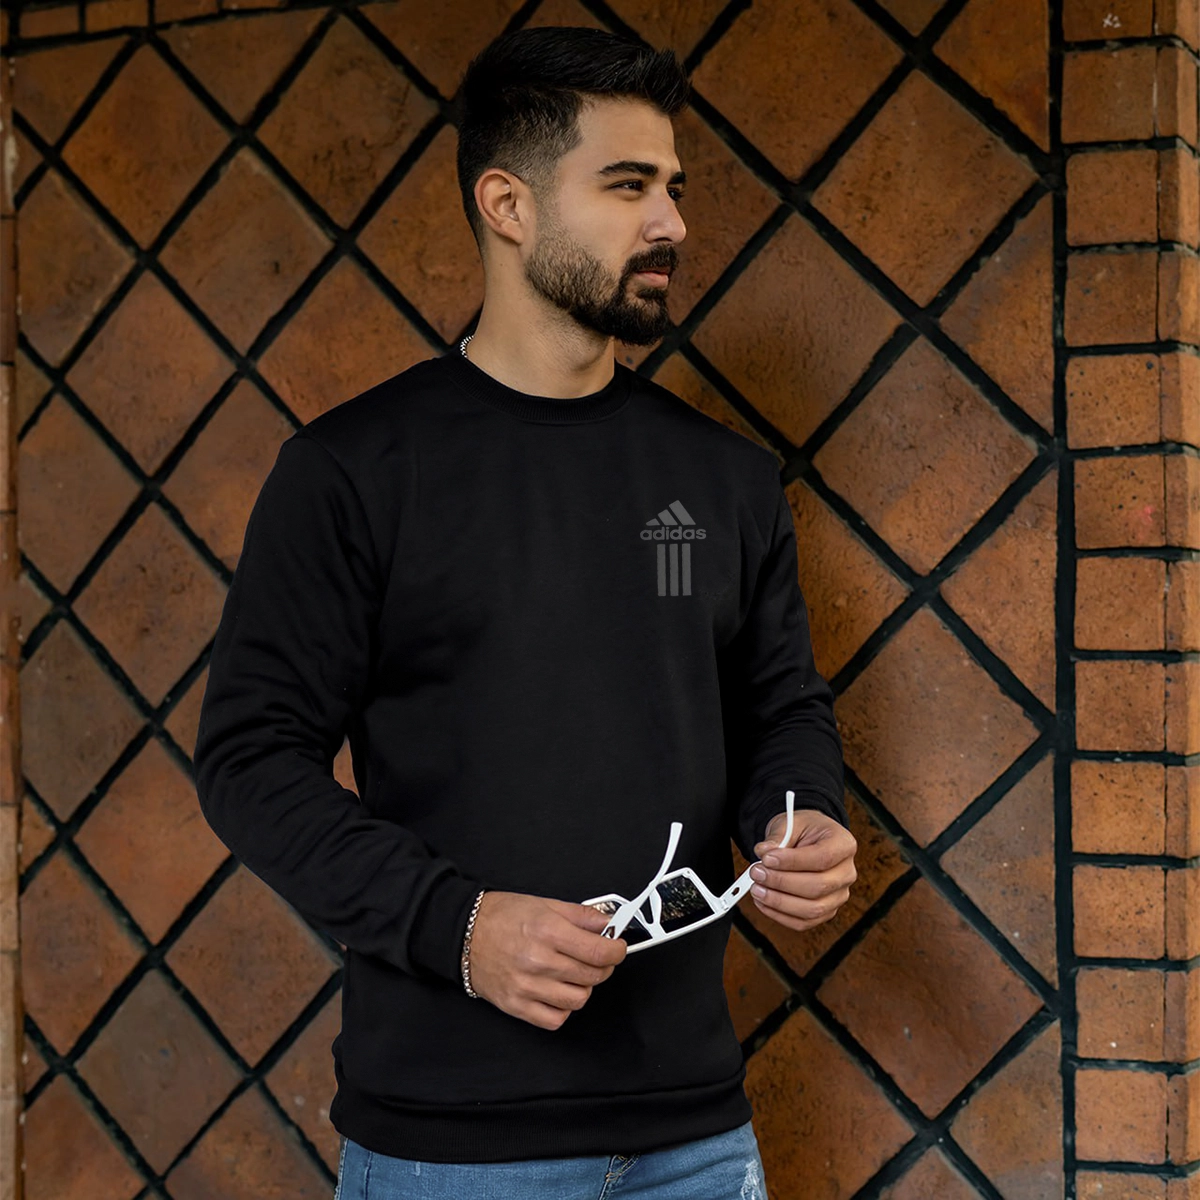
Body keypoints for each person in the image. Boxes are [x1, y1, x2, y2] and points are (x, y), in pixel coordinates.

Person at [192, 23, 856, 1200]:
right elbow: (251, 762)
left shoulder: (721, 481)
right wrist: (458, 927)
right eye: (628, 186)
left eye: (674, 188)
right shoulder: (355, 472)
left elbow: (780, 708)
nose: (672, 223)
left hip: (698, 1140)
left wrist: (799, 820)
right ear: (507, 204)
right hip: (451, 1150)